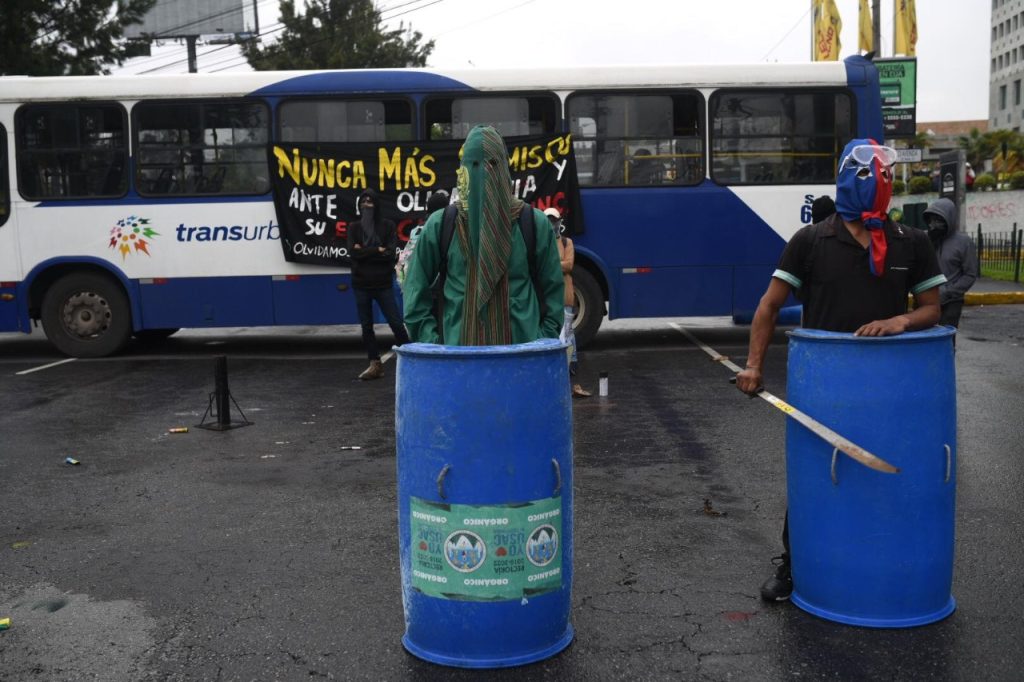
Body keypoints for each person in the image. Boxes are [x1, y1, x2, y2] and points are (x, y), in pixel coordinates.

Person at [735, 139, 946, 602]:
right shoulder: (811, 241)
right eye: (872, 175)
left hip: (888, 384)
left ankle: (879, 565)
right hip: (824, 385)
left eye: (886, 176)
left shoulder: (910, 241)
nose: (882, 184)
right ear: (851, 179)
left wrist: (900, 321)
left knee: (879, 475)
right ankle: (795, 565)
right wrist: (753, 366)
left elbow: (932, 308)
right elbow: (769, 307)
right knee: (816, 474)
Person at [402, 125, 564, 345]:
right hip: (459, 359)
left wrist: (543, 340)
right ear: (463, 170)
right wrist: (433, 345)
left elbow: (553, 289)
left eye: (492, 165)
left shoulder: (533, 223)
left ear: (504, 169)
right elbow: (414, 290)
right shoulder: (441, 225)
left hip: (521, 358)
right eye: (474, 165)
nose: (483, 174)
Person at [348, 188, 411, 380]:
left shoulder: (387, 226)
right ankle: (375, 364)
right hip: (361, 284)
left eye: (370, 203)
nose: (366, 206)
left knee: (396, 323)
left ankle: (412, 358)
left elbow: (390, 254)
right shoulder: (354, 228)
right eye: (363, 203)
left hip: (383, 283)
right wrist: (378, 250)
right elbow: (353, 253)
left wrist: (366, 251)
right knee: (366, 327)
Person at [544, 207, 591, 398]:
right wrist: (556, 264)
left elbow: (568, 265)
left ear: (559, 221)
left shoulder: (566, 242)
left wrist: (549, 263)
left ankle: (571, 373)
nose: (551, 224)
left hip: (565, 298)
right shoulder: (541, 242)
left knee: (568, 336)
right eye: (548, 220)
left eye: (554, 220)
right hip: (548, 299)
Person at [924, 197, 978, 329]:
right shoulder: (925, 239)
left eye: (939, 220)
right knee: (923, 339)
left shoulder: (963, 242)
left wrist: (948, 292)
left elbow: (970, 274)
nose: (934, 224)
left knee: (946, 339)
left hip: (951, 301)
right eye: (931, 219)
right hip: (925, 299)